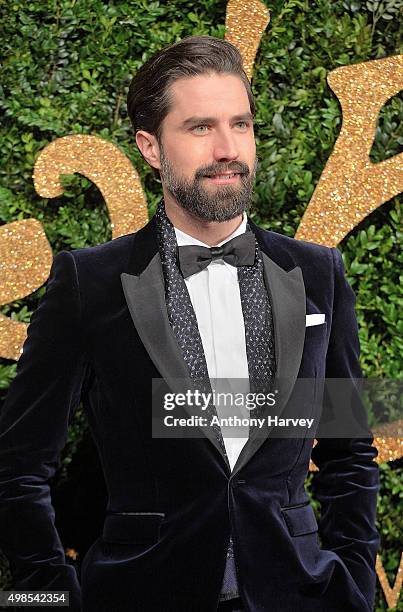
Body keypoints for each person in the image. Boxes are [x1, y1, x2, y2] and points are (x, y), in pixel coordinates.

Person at [0, 35, 380, 612]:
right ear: (151, 147)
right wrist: (49, 596)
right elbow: (18, 466)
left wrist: (352, 586)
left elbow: (350, 452)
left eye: (242, 124)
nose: (228, 147)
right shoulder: (89, 283)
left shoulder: (319, 272)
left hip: (300, 595)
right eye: (201, 127)